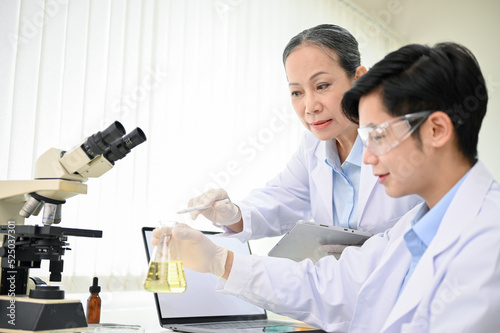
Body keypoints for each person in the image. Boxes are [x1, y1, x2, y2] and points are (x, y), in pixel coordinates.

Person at [156, 42, 500, 332]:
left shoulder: (487, 242)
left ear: (436, 130)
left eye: (378, 136)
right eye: (296, 92)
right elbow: (329, 284)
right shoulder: (409, 232)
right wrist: (220, 259)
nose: (367, 158)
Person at [186, 24, 422, 248]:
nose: (309, 107)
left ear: (359, 78)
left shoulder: (405, 139)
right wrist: (233, 213)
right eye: (297, 92)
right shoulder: (313, 148)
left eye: (321, 86)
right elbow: (280, 199)